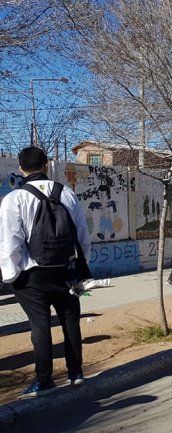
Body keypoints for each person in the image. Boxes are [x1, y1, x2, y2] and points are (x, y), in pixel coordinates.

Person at [0, 147, 91, 398]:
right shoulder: (67, 194)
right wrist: (80, 265)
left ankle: (44, 380)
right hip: (66, 271)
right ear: (46, 166)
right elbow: (82, 234)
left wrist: (12, 275)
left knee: (39, 325)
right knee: (70, 320)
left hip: (32, 274)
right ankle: (76, 373)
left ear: (20, 168)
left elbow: (10, 242)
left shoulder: (14, 199)